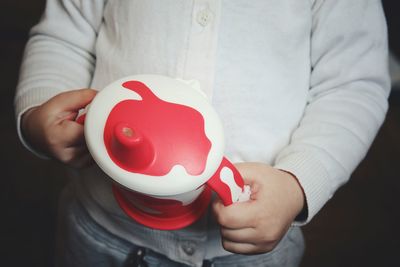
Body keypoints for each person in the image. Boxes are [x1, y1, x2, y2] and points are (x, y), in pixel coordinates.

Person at [15, 0, 390, 266]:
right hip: (100, 228)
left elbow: (353, 86)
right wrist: (39, 108)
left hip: (251, 246)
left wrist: (297, 183)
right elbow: (62, 38)